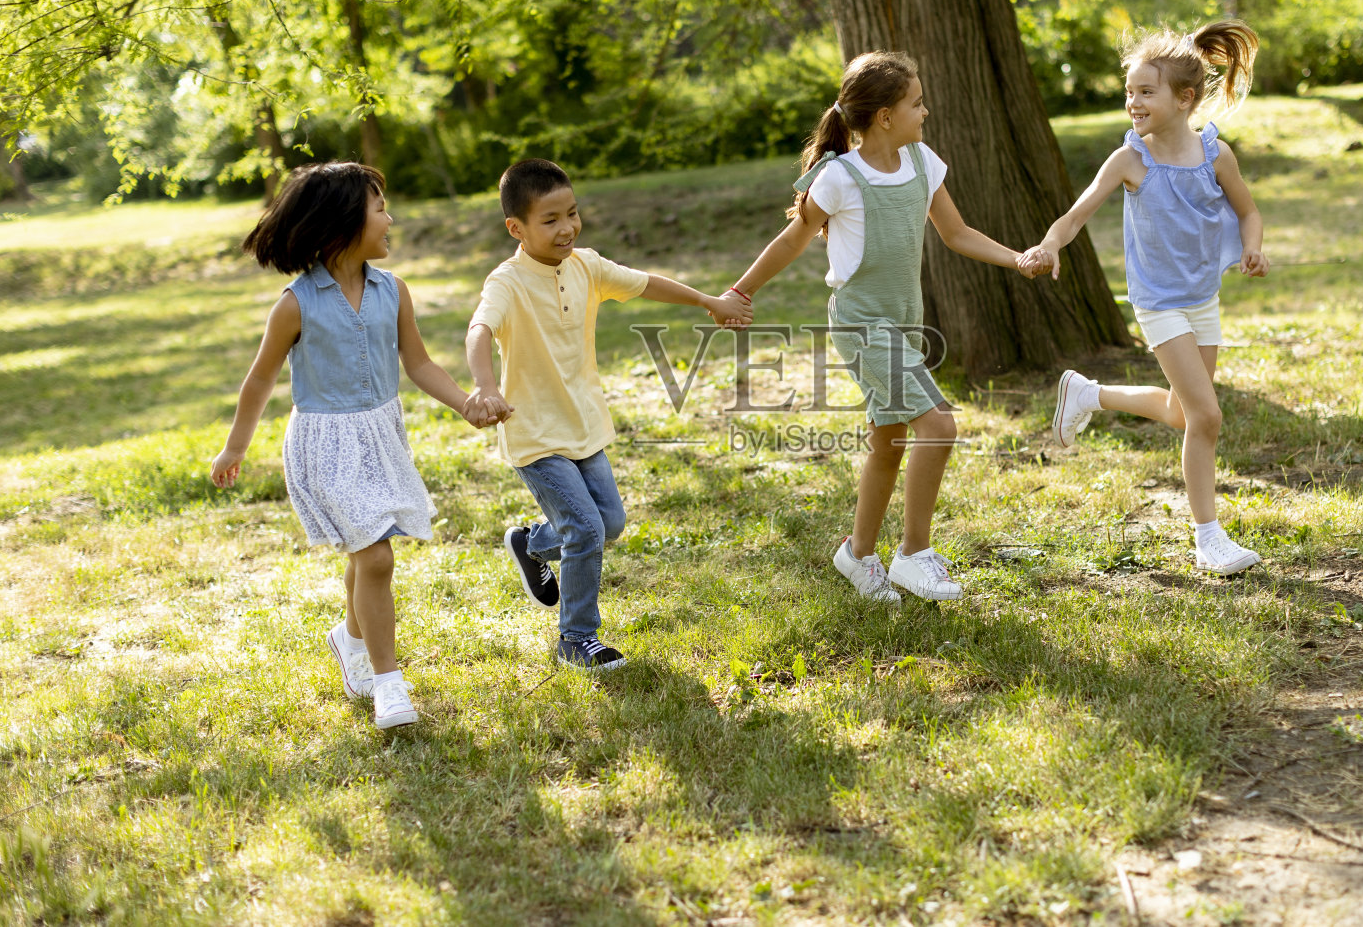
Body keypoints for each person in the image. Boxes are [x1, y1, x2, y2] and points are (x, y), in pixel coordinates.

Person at [727, 51, 1036, 604]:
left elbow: (957, 233)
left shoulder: (922, 162)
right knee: (938, 426)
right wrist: (740, 291)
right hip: (862, 324)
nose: (926, 111)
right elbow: (793, 240)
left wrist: (1016, 259)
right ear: (885, 117)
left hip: (904, 321)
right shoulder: (840, 177)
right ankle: (913, 554)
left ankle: (858, 553)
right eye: (917, 103)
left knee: (889, 444)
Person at [210, 162, 502, 729]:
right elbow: (260, 379)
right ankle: (388, 682)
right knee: (375, 555)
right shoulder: (296, 303)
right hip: (325, 445)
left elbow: (418, 363)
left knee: (366, 552)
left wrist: (465, 403)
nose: (390, 220)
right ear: (342, 222)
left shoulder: (393, 290)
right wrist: (235, 448)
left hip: (380, 437)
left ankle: (350, 638)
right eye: (380, 210)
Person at [464, 158, 750, 672]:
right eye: (550, 219)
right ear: (516, 228)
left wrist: (709, 301)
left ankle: (532, 544)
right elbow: (479, 330)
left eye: (572, 213)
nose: (567, 227)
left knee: (609, 523)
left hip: (584, 424)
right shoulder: (506, 281)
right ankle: (576, 639)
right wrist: (486, 386)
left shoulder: (587, 265)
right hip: (534, 431)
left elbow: (647, 283)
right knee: (585, 529)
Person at [1018, 19, 1269, 575]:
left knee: (1184, 414)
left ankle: (1088, 394)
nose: (1133, 102)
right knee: (1207, 415)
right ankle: (1208, 537)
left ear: (1185, 99)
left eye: (1146, 92)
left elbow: (1248, 212)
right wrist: (1049, 245)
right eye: (1129, 91)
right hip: (1159, 302)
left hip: (1202, 298)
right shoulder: (1131, 160)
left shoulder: (1216, 155)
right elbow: (1076, 215)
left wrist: (1252, 248)